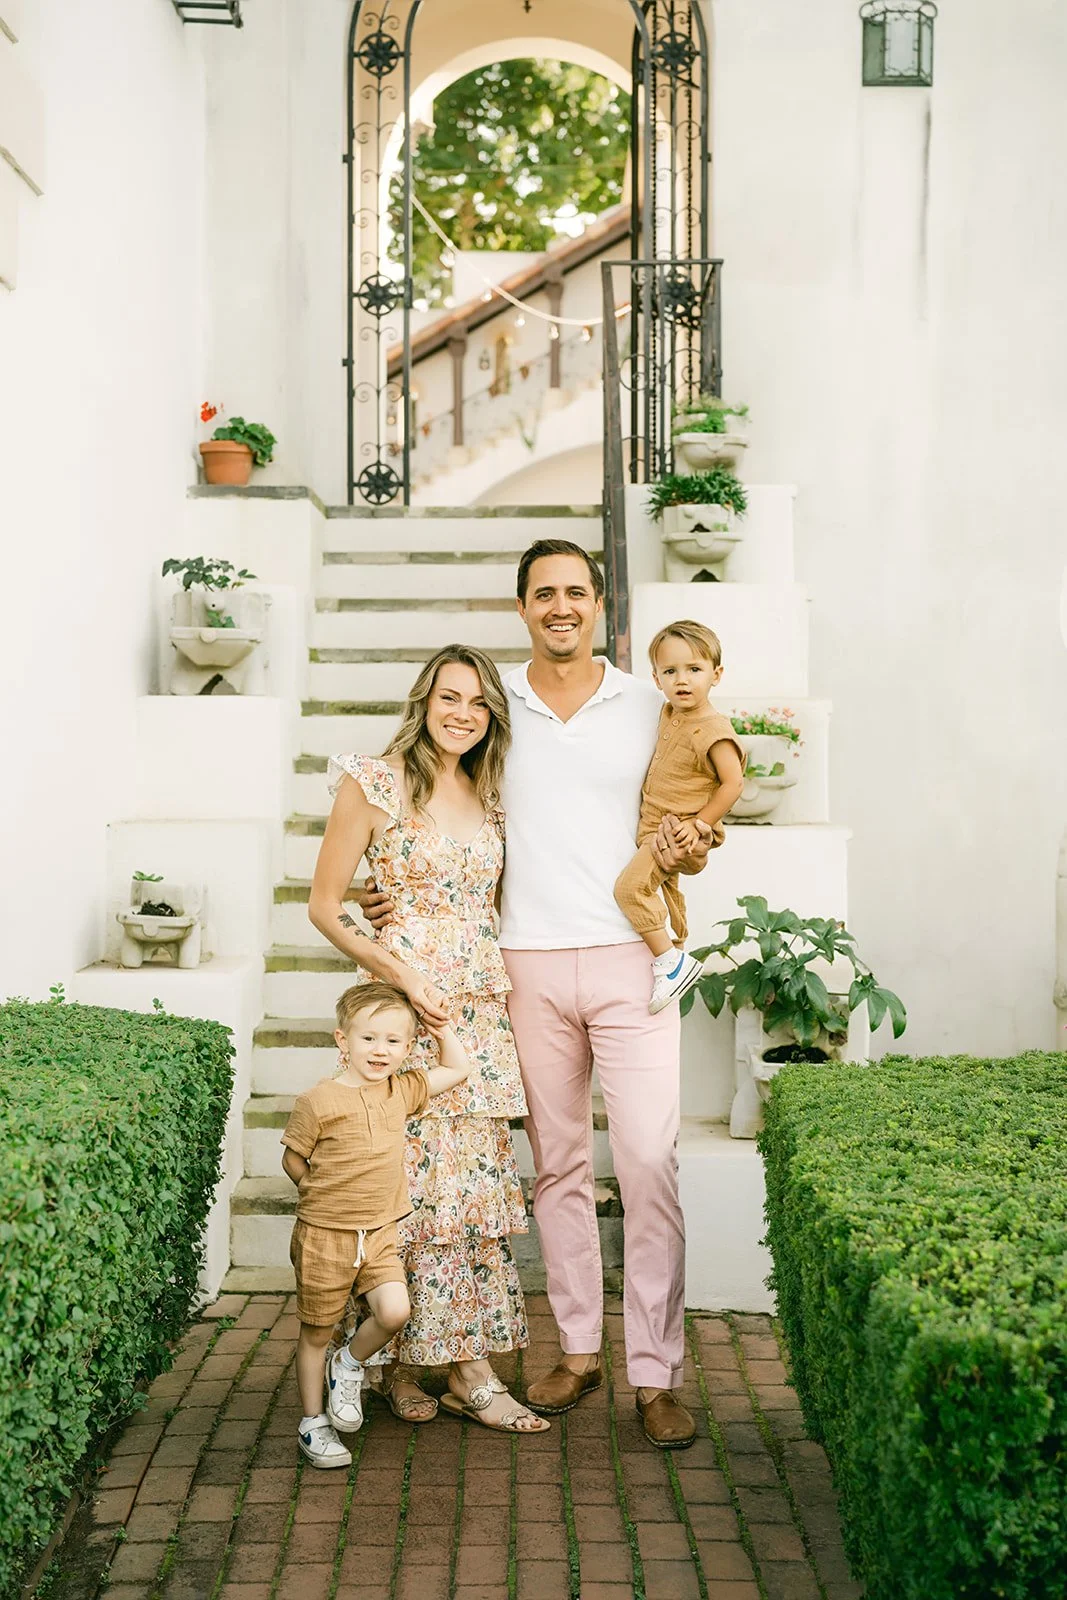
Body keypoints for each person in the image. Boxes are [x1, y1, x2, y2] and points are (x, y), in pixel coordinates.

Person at [361, 541, 714, 1449]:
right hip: (521, 962)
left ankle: (656, 1371)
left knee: (645, 1162)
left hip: (631, 961)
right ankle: (577, 1350)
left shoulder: (645, 702)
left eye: (576, 593)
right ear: (521, 607)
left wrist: (693, 843)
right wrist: (382, 885)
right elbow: (431, 807)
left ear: (600, 605)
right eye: (543, 594)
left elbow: (695, 796)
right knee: (556, 1165)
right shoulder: (492, 706)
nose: (561, 606)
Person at [308, 644, 548, 1435]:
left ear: (491, 717)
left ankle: (452, 1364)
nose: (461, 714)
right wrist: (399, 973)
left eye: (477, 703)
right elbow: (325, 903)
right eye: (449, 697)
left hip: (474, 1011)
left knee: (464, 1192)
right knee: (400, 1187)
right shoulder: (374, 781)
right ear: (424, 700)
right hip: (404, 1015)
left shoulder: (494, 795)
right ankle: (407, 1363)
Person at [281, 981, 471, 1468]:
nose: (380, 1050)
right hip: (326, 1235)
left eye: (393, 1041)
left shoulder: (402, 1091)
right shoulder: (317, 1100)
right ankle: (313, 1423)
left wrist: (441, 1025)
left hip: (380, 1233)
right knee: (316, 1331)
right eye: (369, 1038)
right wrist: (324, 1198)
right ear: (342, 1040)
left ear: (408, 1048)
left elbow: (457, 1068)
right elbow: (294, 1160)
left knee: (393, 1312)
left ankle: (347, 1366)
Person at [614, 620, 746, 1014]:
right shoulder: (670, 713)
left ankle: (671, 962)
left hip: (673, 829)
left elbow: (733, 783)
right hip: (655, 826)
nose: (682, 680)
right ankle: (679, 940)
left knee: (629, 889)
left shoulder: (712, 728)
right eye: (670, 672)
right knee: (664, 889)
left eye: (694, 669)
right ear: (656, 678)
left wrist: (701, 823)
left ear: (716, 674)